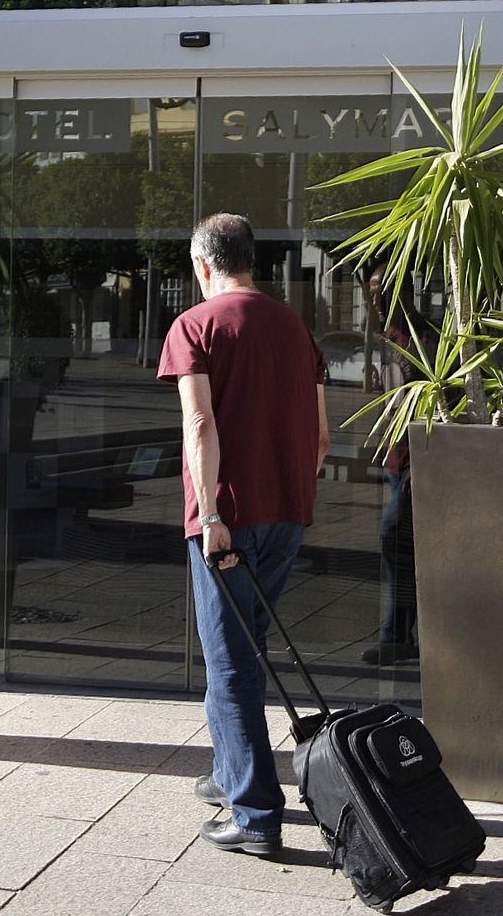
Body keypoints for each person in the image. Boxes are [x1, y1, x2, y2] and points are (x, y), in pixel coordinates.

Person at [158, 213, 329, 856]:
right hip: (288, 512)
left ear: (203, 265)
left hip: (228, 519)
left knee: (229, 662)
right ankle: (233, 773)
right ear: (248, 261)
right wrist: (294, 493)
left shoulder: (194, 327)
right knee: (245, 647)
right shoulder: (293, 325)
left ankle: (255, 814)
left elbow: (200, 426)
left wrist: (210, 516)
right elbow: (320, 436)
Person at [362, 261, 421, 665]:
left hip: (416, 461)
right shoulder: (387, 338)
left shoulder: (417, 339)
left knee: (396, 543)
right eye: (372, 292)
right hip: (395, 459)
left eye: (383, 290)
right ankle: (398, 634)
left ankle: (397, 636)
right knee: (398, 546)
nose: (376, 298)